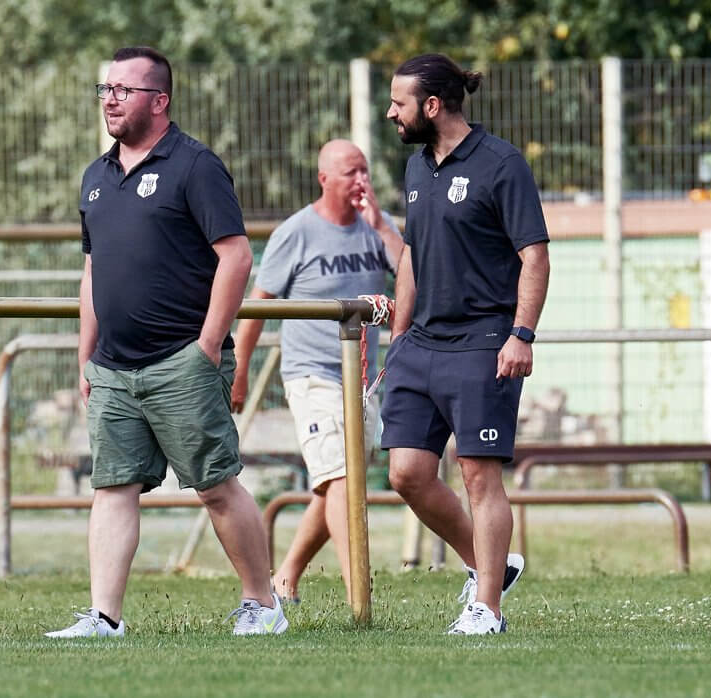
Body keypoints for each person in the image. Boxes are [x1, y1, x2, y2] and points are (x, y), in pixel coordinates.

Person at [46, 46, 287, 638]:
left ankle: (263, 604)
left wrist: (208, 347)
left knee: (214, 487)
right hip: (113, 368)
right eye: (104, 89)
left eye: (123, 90)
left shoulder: (195, 165)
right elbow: (91, 273)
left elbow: (237, 256)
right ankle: (105, 618)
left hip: (182, 360)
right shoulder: (95, 177)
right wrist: (85, 357)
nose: (109, 99)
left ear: (159, 100)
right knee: (112, 488)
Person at [381, 54, 550, 635]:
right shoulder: (415, 168)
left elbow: (535, 257)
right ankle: (490, 568)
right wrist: (398, 338)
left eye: (399, 103)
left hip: (483, 343)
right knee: (406, 473)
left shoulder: (502, 164)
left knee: (479, 475)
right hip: (420, 345)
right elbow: (411, 258)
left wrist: (521, 334)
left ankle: (487, 608)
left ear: (432, 106)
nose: (390, 112)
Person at [231, 139, 403, 602]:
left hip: (362, 380)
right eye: (350, 172)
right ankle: (359, 597)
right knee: (341, 481)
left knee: (334, 486)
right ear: (324, 179)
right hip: (312, 375)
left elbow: (410, 280)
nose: (360, 181)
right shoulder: (297, 232)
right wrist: (241, 368)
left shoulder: (378, 228)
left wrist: (382, 226)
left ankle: (285, 576)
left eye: (364, 170)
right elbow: (256, 305)